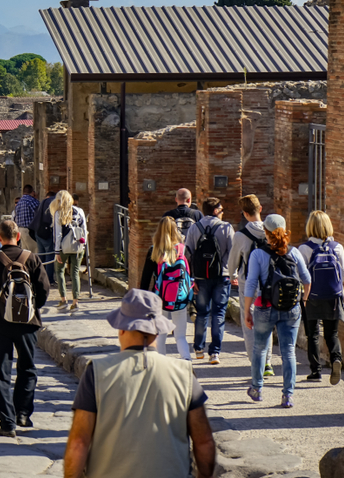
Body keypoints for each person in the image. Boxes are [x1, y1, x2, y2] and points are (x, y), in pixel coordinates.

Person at [64, 289, 216, 478]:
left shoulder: (97, 372)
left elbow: (79, 443)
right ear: (159, 330)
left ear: (121, 328)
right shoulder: (184, 374)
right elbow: (204, 442)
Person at [0, 219, 50, 435]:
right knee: (28, 368)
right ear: (18, 236)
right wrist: (31, 308)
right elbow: (43, 290)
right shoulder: (31, 259)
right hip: (27, 324)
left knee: (0, 372)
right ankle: (23, 414)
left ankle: (7, 422)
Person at [243, 214, 312, 408]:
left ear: (265, 232)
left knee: (260, 348)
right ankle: (287, 395)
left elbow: (250, 285)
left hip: (265, 307)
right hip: (291, 308)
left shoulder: (258, 254)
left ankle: (256, 389)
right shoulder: (294, 252)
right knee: (288, 351)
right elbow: (307, 280)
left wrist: (247, 310)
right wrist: (303, 301)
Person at [226, 194, 275, 375]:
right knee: (267, 322)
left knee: (248, 323)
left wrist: (231, 275)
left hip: (248, 283)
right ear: (260, 209)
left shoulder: (240, 235)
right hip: (269, 283)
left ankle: (256, 361)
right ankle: (268, 362)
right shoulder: (271, 231)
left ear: (245, 213)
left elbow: (233, 261)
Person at [183, 196, 234, 364]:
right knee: (218, 313)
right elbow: (233, 254)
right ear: (215, 211)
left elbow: (187, 254)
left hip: (200, 277)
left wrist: (191, 279)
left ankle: (198, 348)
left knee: (202, 313)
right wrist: (230, 272)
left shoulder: (194, 228)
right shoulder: (226, 228)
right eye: (221, 210)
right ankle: (215, 353)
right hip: (222, 276)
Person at [298, 210, 344, 384]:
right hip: (333, 297)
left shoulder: (304, 249)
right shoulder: (338, 248)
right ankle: (336, 359)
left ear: (310, 226)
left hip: (311, 297)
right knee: (332, 333)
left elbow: (301, 275)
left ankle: (315, 372)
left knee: (313, 334)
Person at [138, 217, 191, 360]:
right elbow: (190, 274)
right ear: (176, 230)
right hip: (180, 297)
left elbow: (145, 279)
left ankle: (162, 364)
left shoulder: (153, 251)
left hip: (160, 298)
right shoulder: (183, 249)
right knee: (180, 336)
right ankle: (186, 360)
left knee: (161, 335)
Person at [51, 190, 88, 311]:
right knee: (75, 272)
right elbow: (84, 229)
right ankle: (75, 302)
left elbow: (58, 234)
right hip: (78, 246)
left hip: (63, 247)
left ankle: (63, 300)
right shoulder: (80, 211)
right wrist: (83, 244)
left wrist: (57, 251)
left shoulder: (58, 213)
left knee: (60, 271)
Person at [29, 190, 56, 284]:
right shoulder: (53, 202)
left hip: (37, 230)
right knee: (49, 255)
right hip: (45, 231)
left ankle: (40, 277)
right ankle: (49, 279)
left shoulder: (43, 201)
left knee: (41, 255)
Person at [12, 185, 40, 254]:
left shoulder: (19, 202)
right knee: (35, 251)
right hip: (29, 230)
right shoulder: (32, 201)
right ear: (32, 192)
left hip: (20, 230)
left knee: (25, 252)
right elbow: (39, 213)